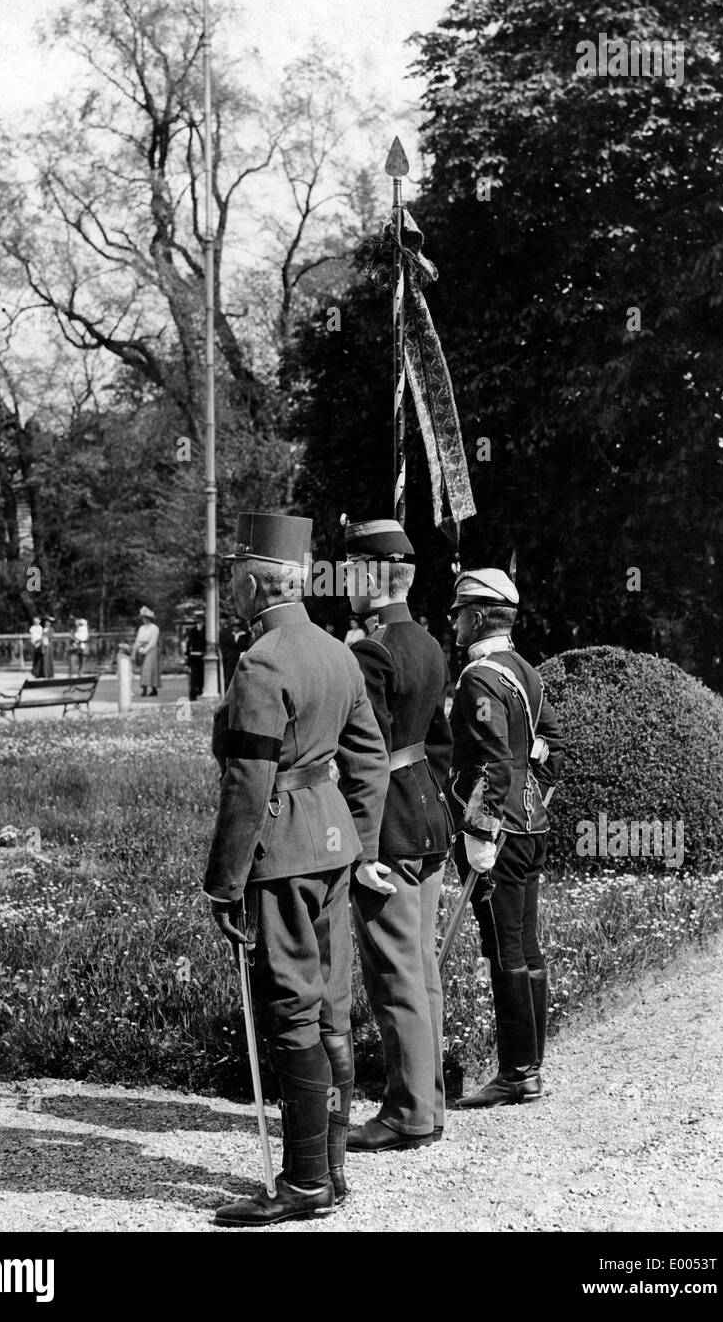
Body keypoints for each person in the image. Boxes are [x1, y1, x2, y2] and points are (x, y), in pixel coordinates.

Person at [205, 511, 388, 1227]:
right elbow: (370, 759)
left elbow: (247, 782)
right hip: (334, 847)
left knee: (290, 1011)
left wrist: (223, 882)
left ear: (254, 582)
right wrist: (360, 843)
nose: (229, 588)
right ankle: (332, 1170)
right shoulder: (340, 652)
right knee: (331, 1008)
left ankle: (306, 1182)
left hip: (280, 856)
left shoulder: (263, 661)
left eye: (233, 577)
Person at [340, 517, 453, 1152]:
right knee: (422, 969)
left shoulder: (371, 652)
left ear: (373, 575)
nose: (344, 581)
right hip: (428, 818)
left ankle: (407, 1112)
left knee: (395, 976)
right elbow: (440, 744)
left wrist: (363, 848)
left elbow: (367, 758)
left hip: (388, 830)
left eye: (351, 571)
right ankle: (427, 1106)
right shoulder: (429, 643)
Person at [446, 568, 564, 1108]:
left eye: (458, 614)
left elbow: (493, 762)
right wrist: (531, 792)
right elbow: (553, 747)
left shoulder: (479, 678)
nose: (454, 623)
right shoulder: (526, 671)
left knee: (505, 950)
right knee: (527, 947)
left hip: (500, 835)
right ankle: (529, 1067)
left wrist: (480, 830)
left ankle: (517, 1073)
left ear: (476, 618)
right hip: (532, 825)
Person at [132, 606, 161, 697]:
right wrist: (136, 649)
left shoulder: (154, 628)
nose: (143, 619)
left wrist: (146, 650)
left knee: (151, 668)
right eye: (142, 618)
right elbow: (138, 639)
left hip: (151, 649)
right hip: (142, 648)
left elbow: (153, 641)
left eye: (144, 618)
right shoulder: (141, 628)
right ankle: (144, 689)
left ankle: (154, 688)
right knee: (143, 669)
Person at [185, 612, 205, 700]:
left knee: (201, 675)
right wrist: (187, 655)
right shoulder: (192, 630)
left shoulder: (207, 630)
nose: (198, 620)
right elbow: (189, 643)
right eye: (197, 618)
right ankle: (193, 693)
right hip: (194, 656)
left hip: (203, 656)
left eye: (200, 618)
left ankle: (199, 689)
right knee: (193, 676)